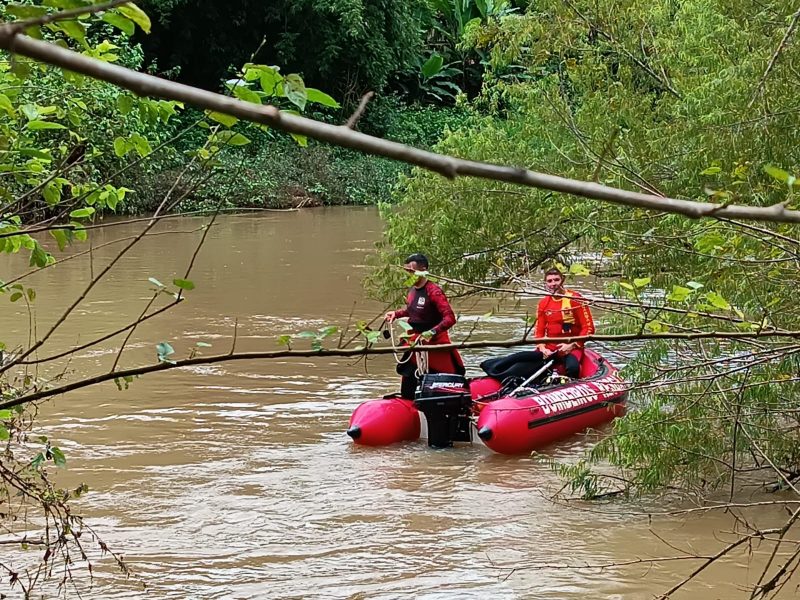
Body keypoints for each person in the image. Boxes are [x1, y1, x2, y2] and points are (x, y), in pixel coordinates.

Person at [481, 267, 595, 381]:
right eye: (549, 281)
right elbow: (539, 331)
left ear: (562, 280)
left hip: (571, 347)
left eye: (556, 280)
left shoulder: (575, 299)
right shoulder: (544, 303)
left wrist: (572, 345)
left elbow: (588, 328)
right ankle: (490, 367)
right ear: (545, 284)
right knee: (518, 358)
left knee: (573, 368)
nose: (553, 284)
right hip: (549, 349)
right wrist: (542, 347)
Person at [385, 253, 465, 398]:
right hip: (415, 345)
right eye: (407, 271)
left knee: (435, 385)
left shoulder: (434, 291)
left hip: (433, 346)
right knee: (408, 384)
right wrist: (396, 314)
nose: (409, 275)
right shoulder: (412, 290)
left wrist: (431, 333)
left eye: (412, 271)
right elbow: (412, 311)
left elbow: (450, 318)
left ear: (423, 270)